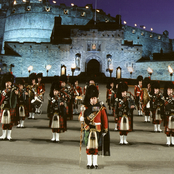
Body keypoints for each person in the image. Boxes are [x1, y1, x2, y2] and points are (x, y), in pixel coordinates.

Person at [79, 85, 110, 169]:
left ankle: (95, 163)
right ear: (89, 98)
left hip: (98, 129)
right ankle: (89, 163)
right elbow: (81, 116)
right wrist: (81, 118)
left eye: (95, 98)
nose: (93, 100)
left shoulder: (101, 108)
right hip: (88, 128)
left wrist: (105, 130)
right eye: (91, 98)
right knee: (89, 147)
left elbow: (105, 120)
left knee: (96, 147)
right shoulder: (85, 108)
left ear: (97, 98)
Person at [0, 72, 18, 140]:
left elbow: (18, 94)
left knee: (10, 122)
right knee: (4, 122)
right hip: (4, 107)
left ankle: (9, 135)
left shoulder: (14, 89)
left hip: (11, 107)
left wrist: (17, 93)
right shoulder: (2, 90)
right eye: (7, 82)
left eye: (9, 82)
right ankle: (3, 135)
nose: (8, 84)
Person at [163, 82, 174, 146]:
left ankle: (173, 141)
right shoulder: (164, 98)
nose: (171, 91)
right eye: (169, 90)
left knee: (173, 129)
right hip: (167, 115)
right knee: (168, 129)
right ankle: (168, 141)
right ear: (166, 90)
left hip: (173, 115)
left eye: (172, 90)